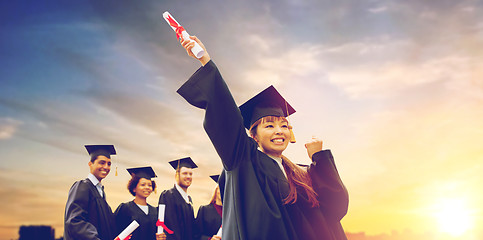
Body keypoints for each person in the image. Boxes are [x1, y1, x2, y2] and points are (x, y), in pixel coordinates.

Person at [176, 36, 349, 240]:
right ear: (253, 135)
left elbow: (336, 208)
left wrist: (320, 159)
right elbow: (226, 116)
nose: (279, 131)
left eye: (284, 125)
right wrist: (205, 60)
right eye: (269, 125)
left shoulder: (299, 172)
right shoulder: (243, 161)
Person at [64, 145, 117, 240]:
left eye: (109, 164)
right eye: (102, 163)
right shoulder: (82, 186)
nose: (106, 167)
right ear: (90, 164)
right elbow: (75, 221)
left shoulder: (101, 192)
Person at [114, 166, 167, 240]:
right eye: (143, 185)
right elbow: (115, 231)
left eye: (150, 185)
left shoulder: (155, 211)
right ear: (134, 188)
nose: (147, 187)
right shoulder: (125, 208)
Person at [158, 157, 199, 240]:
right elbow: (171, 229)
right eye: (185, 173)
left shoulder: (189, 199)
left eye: (190, 174)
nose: (188, 176)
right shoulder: (168, 195)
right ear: (177, 175)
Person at [195, 175, 222, 240]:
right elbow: (196, 235)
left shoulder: (232, 214)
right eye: (221, 188)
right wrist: (210, 239)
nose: (223, 191)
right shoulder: (205, 210)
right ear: (216, 189)